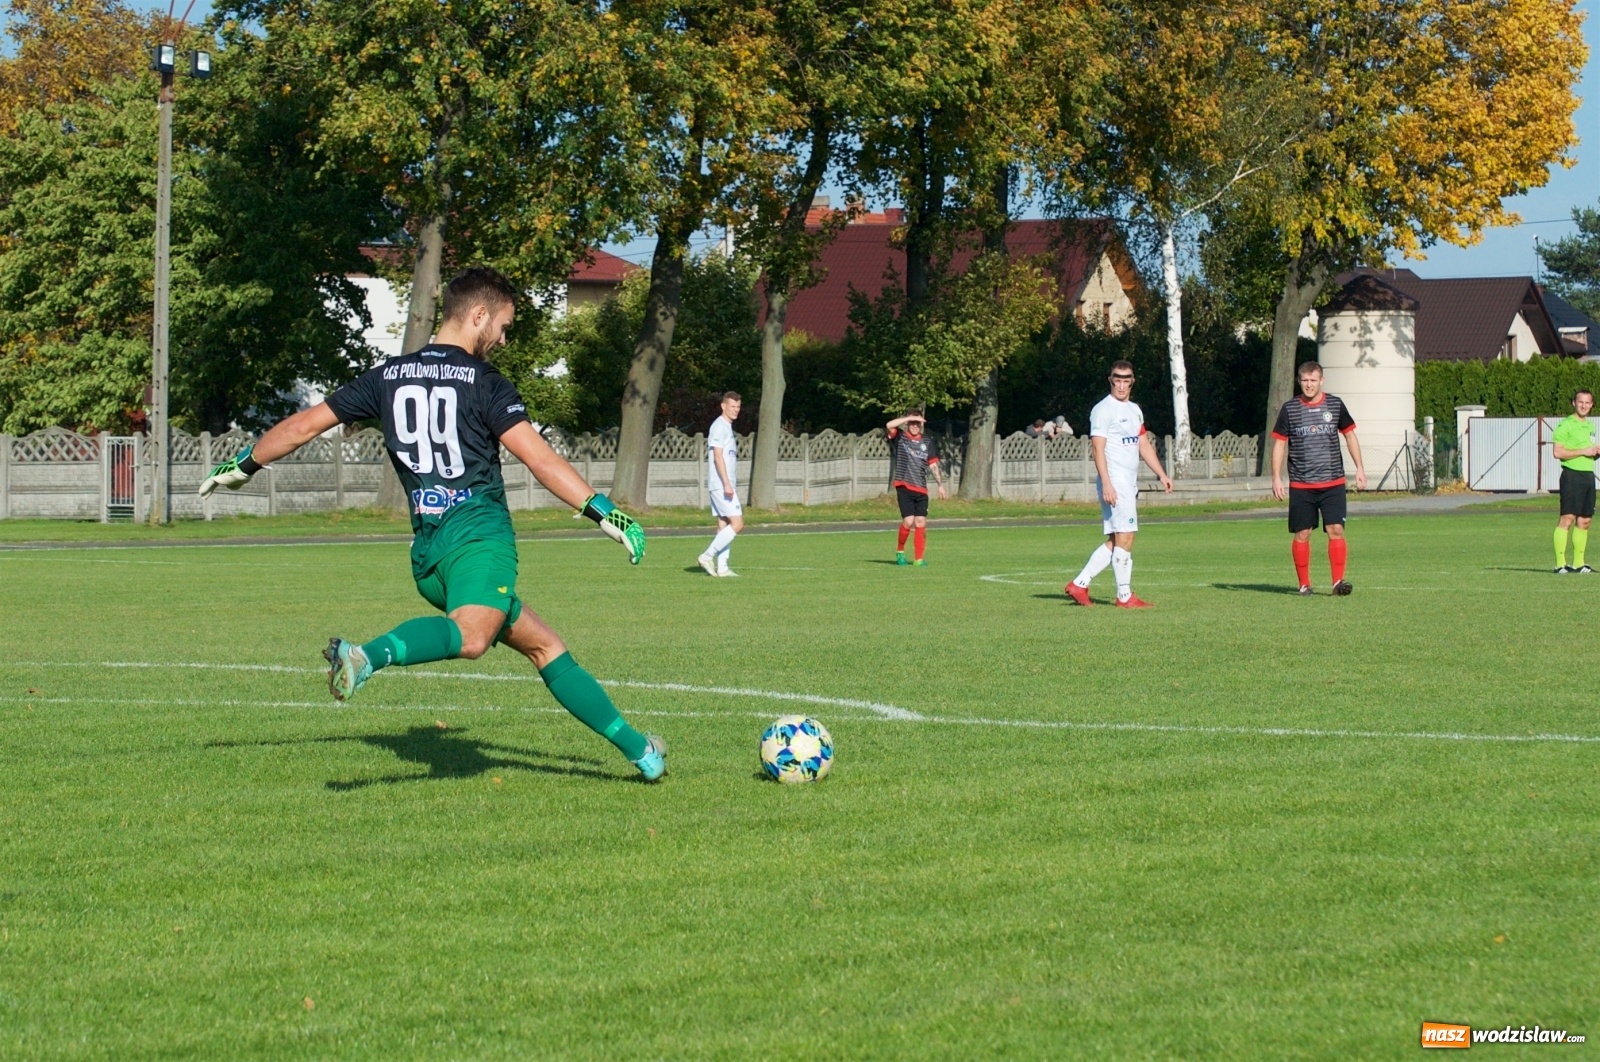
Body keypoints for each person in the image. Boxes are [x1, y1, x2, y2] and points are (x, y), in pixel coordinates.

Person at [198, 267, 666, 781]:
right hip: (479, 539)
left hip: (428, 557)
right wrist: (604, 512)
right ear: (479, 315)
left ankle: (642, 752)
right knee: (472, 638)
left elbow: (303, 426)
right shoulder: (486, 383)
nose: (504, 340)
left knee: (545, 646)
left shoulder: (385, 377)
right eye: (504, 327)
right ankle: (365, 656)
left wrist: (244, 464)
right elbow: (539, 458)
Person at [1065, 361, 1172, 607]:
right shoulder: (1103, 410)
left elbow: (1143, 443)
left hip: (1127, 483)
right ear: (1110, 380)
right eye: (1117, 380)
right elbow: (1097, 448)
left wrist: (1161, 474)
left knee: (1119, 538)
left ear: (1132, 381)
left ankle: (1080, 584)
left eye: (1126, 380)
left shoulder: (1134, 410)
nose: (1121, 385)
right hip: (1115, 482)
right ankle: (1124, 596)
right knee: (1126, 536)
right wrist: (1107, 483)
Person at [1271, 360, 1367, 596]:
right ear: (1299, 381)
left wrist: (1360, 468)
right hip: (1301, 485)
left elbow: (1350, 436)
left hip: (1333, 483)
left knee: (1336, 529)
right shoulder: (1290, 409)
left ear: (1321, 381)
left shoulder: (1335, 405)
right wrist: (1276, 477)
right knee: (1303, 533)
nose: (1309, 385)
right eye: (1305, 380)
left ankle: (1338, 583)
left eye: (1313, 380)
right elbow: (1279, 444)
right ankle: (1304, 584)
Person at [886, 409, 947, 566]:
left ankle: (918, 559)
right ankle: (900, 551)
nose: (915, 426)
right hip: (904, 486)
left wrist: (940, 485)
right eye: (912, 423)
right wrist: (908, 417)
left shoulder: (926, 441)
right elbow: (889, 425)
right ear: (907, 423)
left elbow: (933, 465)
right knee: (908, 521)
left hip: (921, 489)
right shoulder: (901, 437)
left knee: (920, 522)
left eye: (918, 423)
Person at [1551, 388, 1600, 574]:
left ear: (1592, 405)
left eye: (1587, 403)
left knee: (1585, 520)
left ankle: (1579, 564)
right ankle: (1560, 564)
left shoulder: (1590, 426)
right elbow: (1558, 452)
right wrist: (1583, 451)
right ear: (1574, 403)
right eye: (1581, 402)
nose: (1584, 406)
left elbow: (1588, 452)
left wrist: (1595, 452)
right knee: (1568, 518)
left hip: (1588, 476)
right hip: (1572, 475)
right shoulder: (1566, 425)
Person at [698, 391, 743, 577]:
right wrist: (726, 484)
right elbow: (717, 456)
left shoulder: (727, 427)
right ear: (723, 406)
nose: (736, 410)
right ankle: (707, 556)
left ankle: (722, 567)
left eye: (738, 407)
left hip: (723, 484)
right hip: (721, 485)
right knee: (738, 523)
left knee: (724, 523)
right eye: (732, 406)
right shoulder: (719, 426)